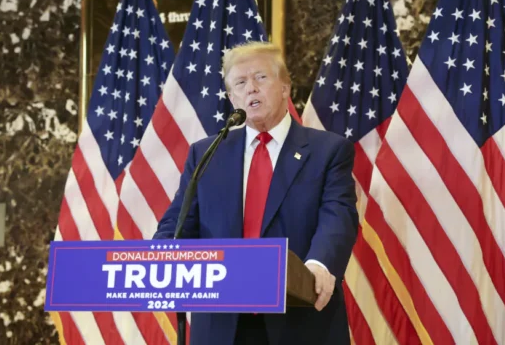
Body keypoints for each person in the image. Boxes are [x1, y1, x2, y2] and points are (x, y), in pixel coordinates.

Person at [153, 41, 358, 345]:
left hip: (299, 320)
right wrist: (158, 259)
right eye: (240, 82)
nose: (250, 88)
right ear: (232, 97)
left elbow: (338, 217)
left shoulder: (328, 150)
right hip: (222, 326)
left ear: (285, 88)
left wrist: (318, 266)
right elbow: (177, 223)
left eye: (260, 78)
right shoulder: (206, 153)